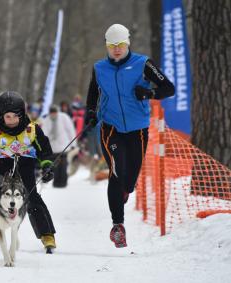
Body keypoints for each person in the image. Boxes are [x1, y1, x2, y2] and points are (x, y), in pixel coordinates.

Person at [85, 24, 175, 248]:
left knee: (129, 179)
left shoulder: (143, 64)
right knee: (116, 172)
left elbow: (168, 88)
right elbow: (92, 95)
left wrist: (149, 92)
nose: (117, 49)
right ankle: (118, 226)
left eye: (121, 45)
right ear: (106, 46)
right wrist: (90, 115)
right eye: (112, 46)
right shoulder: (99, 68)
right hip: (111, 128)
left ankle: (125, 190)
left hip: (138, 129)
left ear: (128, 44)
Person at [0, 91, 57, 251]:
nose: (11, 121)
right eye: (8, 117)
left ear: (22, 115)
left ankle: (47, 234)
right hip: (3, 166)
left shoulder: (32, 130)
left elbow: (44, 150)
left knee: (31, 196)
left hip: (25, 165)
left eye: (15, 116)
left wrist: (47, 166)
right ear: (1, 116)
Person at [41, 105, 77, 188]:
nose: (53, 115)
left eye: (55, 113)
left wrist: (73, 143)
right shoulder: (46, 120)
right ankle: (56, 183)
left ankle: (63, 183)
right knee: (55, 167)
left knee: (63, 165)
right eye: (52, 113)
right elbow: (44, 134)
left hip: (64, 146)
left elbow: (70, 130)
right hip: (53, 148)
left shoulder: (64, 117)